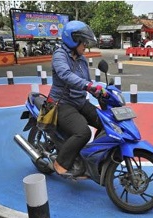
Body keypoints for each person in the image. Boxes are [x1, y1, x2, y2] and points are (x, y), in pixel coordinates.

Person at [48, 20, 105, 178]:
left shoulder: (81, 59)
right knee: (83, 132)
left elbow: (88, 81)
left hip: (79, 102)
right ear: (73, 40)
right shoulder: (60, 55)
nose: (85, 46)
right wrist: (88, 86)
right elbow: (66, 75)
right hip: (62, 103)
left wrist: (100, 91)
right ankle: (60, 164)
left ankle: (91, 156)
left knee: (107, 123)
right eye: (83, 42)